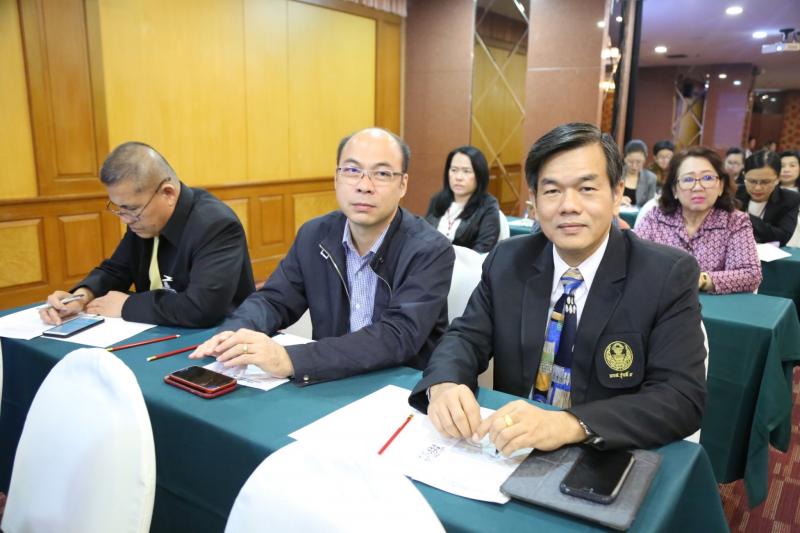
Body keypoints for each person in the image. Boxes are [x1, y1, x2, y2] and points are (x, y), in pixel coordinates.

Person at [409, 123, 706, 454]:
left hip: (603, 451)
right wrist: (445, 383)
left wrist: (568, 424)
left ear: (617, 193)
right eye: (552, 191)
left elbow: (680, 397)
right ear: (534, 201)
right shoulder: (508, 260)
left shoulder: (665, 275)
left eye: (587, 188)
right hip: (511, 449)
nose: (569, 206)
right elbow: (465, 337)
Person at [190, 128, 455, 384]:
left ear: (403, 184)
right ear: (336, 178)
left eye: (382, 173)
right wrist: (235, 333)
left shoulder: (430, 250)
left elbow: (397, 337)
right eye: (352, 170)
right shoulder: (314, 235)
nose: (364, 186)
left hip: (397, 386)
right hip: (331, 378)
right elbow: (274, 300)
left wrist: (290, 360)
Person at [39, 142, 255, 328]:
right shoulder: (143, 219)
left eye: (131, 209)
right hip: (160, 327)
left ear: (168, 193)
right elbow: (117, 269)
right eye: (119, 208)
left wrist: (127, 305)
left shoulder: (216, 225)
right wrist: (82, 295)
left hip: (217, 337)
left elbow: (200, 308)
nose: (125, 219)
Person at [636, 147, 762, 294]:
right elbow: (633, 260)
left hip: (715, 306)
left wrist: (701, 279)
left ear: (721, 186)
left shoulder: (735, 222)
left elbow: (750, 274)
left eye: (707, 178)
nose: (697, 187)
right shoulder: (656, 218)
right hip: (661, 301)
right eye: (688, 179)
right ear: (674, 190)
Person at [424, 146, 500, 253]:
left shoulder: (487, 206)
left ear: (479, 174)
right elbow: (423, 236)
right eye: (454, 170)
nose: (458, 177)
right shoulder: (438, 200)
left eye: (466, 171)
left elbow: (483, 250)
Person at [736, 150, 800, 246]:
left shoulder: (789, 199)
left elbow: (783, 236)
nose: (757, 188)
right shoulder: (733, 193)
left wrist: (744, 217)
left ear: (778, 178)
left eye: (765, 182)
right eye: (752, 181)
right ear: (744, 175)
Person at [620, 139, 657, 207]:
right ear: (624, 158)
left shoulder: (651, 178)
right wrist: (618, 200)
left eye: (638, 162)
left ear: (644, 159)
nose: (634, 166)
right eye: (630, 162)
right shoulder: (616, 174)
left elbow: (650, 206)